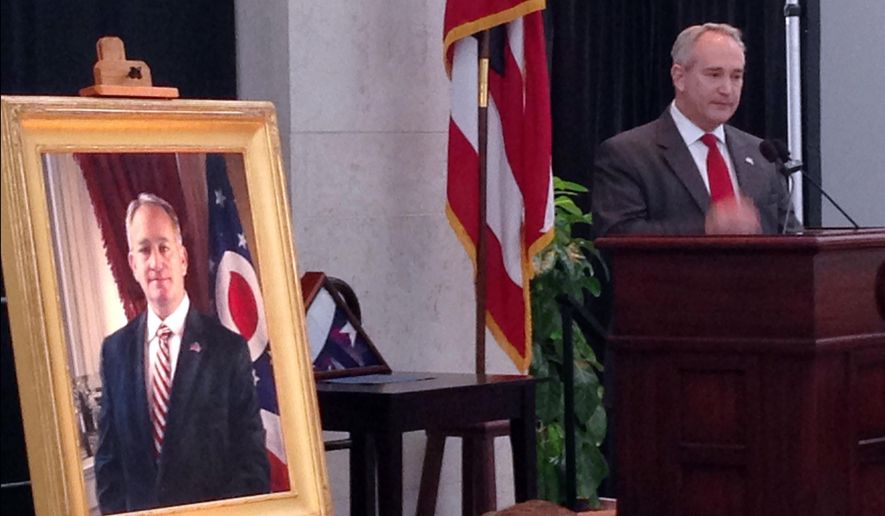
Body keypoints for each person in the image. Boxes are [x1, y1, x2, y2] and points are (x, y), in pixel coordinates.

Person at [94, 193, 269, 513]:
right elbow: (108, 466)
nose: (155, 262)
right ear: (133, 264)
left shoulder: (228, 350)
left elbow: (252, 466)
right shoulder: (114, 353)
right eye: (144, 249)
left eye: (164, 247)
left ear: (183, 258)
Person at [591, 22, 802, 236]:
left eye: (736, 76)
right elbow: (617, 235)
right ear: (679, 77)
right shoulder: (628, 154)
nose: (727, 89)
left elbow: (791, 238)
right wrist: (707, 228)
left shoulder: (761, 154)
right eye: (714, 75)